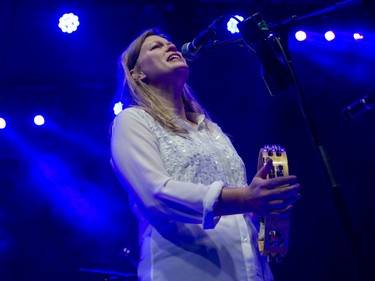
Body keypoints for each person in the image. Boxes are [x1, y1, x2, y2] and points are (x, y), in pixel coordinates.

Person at [110, 28, 301, 281]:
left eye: (170, 42)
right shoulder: (132, 120)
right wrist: (246, 197)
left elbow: (241, 209)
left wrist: (266, 208)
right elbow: (155, 194)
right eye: (156, 46)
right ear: (137, 73)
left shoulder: (212, 130)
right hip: (185, 270)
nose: (170, 46)